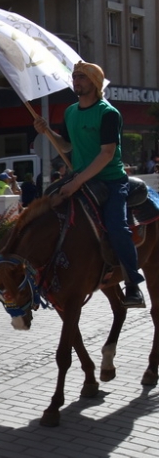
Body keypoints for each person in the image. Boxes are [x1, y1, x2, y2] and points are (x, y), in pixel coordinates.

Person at [34, 61, 145, 308]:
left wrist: (75, 184)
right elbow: (66, 146)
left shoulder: (108, 113)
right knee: (46, 209)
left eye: (81, 78)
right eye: (74, 77)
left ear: (94, 82)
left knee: (117, 227)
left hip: (110, 180)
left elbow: (106, 154)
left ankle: (133, 284)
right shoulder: (70, 111)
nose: (76, 82)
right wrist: (48, 132)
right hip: (80, 176)